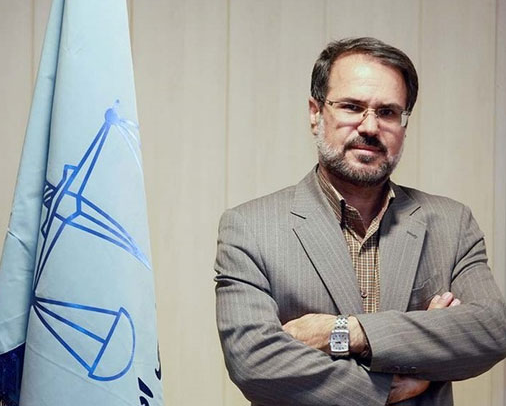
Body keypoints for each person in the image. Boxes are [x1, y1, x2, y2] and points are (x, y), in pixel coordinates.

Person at [214, 37, 506, 405]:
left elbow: (492, 330)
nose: (369, 127)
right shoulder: (250, 228)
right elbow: (254, 362)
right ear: (315, 113)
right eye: (352, 107)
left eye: (387, 112)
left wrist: (344, 332)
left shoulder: (451, 223)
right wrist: (394, 382)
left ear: (404, 124)